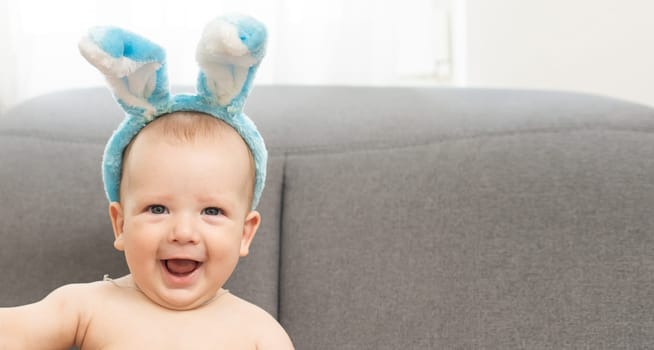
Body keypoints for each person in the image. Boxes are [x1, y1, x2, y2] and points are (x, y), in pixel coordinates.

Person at [0, 14, 294, 349]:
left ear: (244, 233)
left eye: (211, 211)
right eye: (158, 208)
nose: (183, 232)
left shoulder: (258, 333)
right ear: (121, 224)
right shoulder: (86, 308)